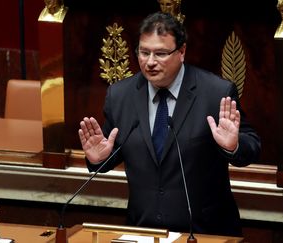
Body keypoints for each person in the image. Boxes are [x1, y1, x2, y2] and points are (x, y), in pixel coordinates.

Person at [78, 12, 261, 237]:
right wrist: (98, 160)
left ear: (182, 52)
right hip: (143, 232)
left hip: (204, 233)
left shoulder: (215, 93)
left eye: (161, 53)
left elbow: (252, 146)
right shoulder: (120, 96)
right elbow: (112, 147)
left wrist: (233, 146)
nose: (150, 62)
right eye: (144, 52)